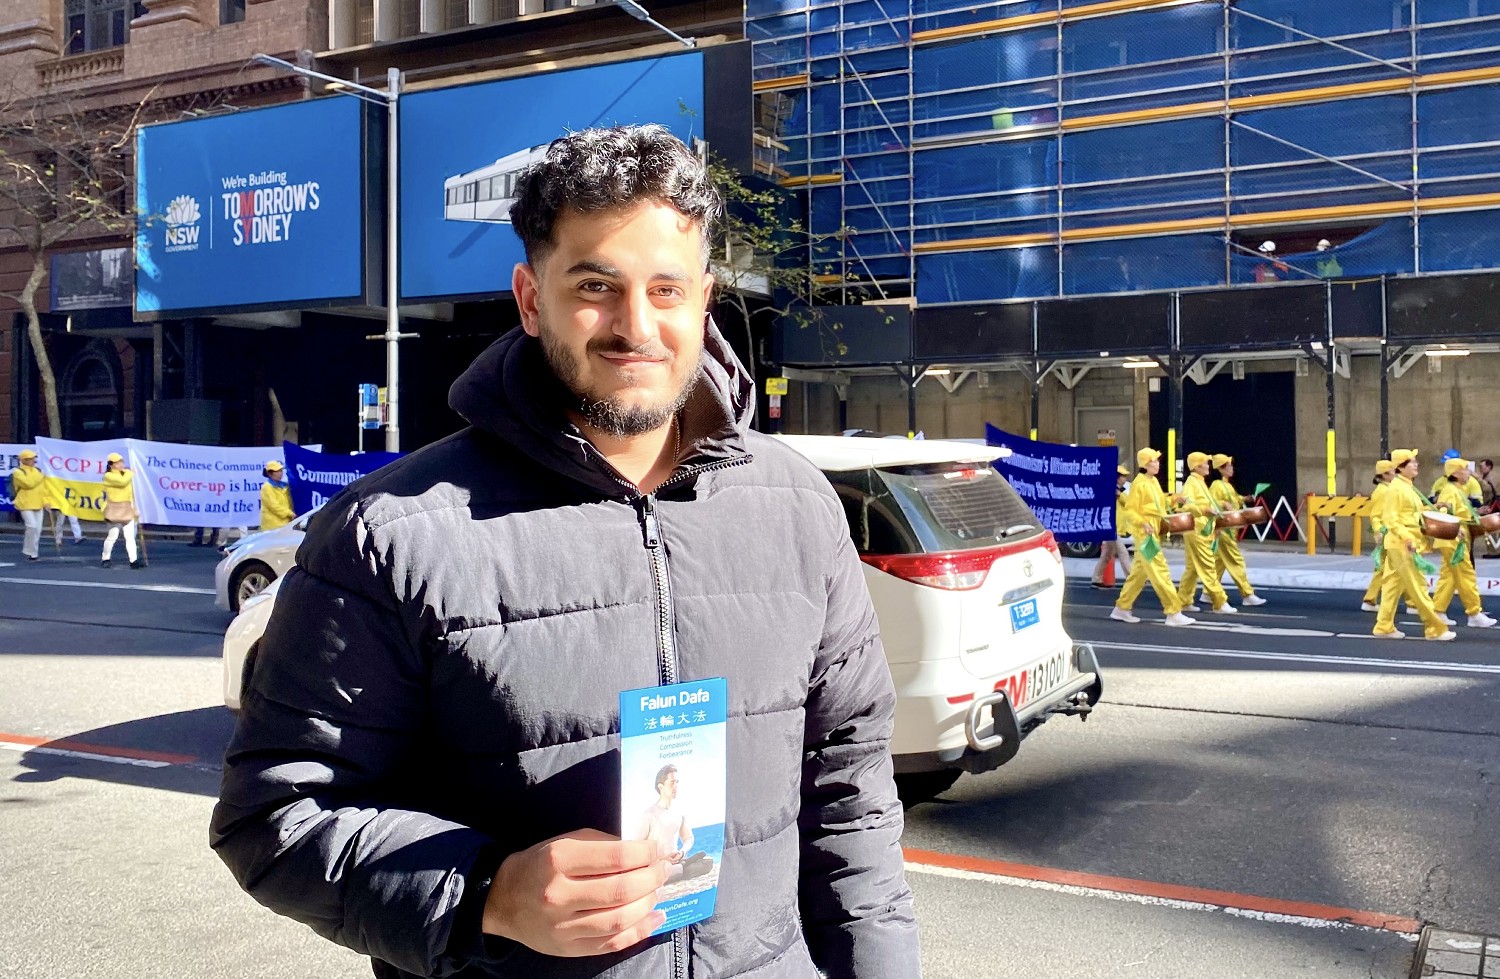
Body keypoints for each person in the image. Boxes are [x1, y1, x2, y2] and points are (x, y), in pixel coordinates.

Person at [211, 125, 919, 979]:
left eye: (666, 288)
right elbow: (273, 815)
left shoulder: (799, 506)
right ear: (530, 298)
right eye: (595, 285)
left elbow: (850, 794)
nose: (636, 325)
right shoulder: (388, 535)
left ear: (703, 300)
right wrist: (487, 895)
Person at [1372, 450, 1454, 641]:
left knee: (1392, 586)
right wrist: (1407, 538)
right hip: (1402, 543)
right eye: (1412, 462)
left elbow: (1411, 512)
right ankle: (1435, 628)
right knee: (1418, 586)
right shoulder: (1396, 488)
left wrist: (1437, 508)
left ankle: (1384, 626)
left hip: (1401, 542)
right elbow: (1390, 518)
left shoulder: (1405, 486)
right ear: (1401, 467)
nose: (1416, 464)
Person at [1111, 448, 1195, 626]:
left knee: (1139, 574)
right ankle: (1173, 611)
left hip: (1152, 531)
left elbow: (1159, 503)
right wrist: (1143, 523)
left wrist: (1174, 499)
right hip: (1145, 535)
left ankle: (1122, 608)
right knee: (1160, 571)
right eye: (1153, 461)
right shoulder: (1139, 484)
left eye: (1157, 460)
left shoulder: (1153, 481)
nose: (1157, 464)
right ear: (1145, 464)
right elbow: (1130, 511)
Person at [1430, 457, 1496, 629]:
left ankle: (1438, 610)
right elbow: (1444, 511)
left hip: (1453, 539)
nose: (1469, 473)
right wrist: (1455, 527)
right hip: (1453, 540)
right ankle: (1474, 613)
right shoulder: (1450, 491)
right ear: (1456, 473)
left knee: (1449, 577)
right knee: (1466, 575)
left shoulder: (1456, 490)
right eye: (1465, 469)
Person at [1175, 451, 1234, 614]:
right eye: (1205, 463)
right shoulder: (1191, 483)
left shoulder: (1199, 482)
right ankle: (1219, 602)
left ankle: (1184, 601)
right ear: (1196, 466)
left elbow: (1206, 503)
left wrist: (1218, 506)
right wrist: (1205, 509)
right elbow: (1185, 505)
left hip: (1202, 529)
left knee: (1192, 568)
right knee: (1208, 566)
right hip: (1197, 530)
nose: (1208, 466)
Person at [632, 765, 712, 883]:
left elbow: (689, 838)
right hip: (656, 866)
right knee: (656, 872)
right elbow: (635, 849)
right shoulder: (649, 815)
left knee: (708, 861)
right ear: (661, 786)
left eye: (677, 782)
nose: (676, 786)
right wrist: (661, 859)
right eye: (672, 782)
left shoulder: (679, 813)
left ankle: (680, 868)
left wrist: (682, 852)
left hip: (676, 861)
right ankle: (680, 869)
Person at [1206, 454, 1266, 608]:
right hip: (1224, 528)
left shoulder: (1227, 485)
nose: (1232, 468)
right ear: (1221, 469)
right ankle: (1247, 594)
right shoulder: (1216, 485)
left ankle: (1208, 593)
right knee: (1235, 560)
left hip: (1229, 529)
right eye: (1229, 466)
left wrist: (1244, 499)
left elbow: (1234, 499)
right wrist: (1222, 503)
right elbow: (1210, 502)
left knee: (1219, 562)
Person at [1360, 459, 1397, 613]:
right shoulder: (1383, 492)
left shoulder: (1388, 489)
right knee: (1387, 568)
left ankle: (1370, 599)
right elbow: (1376, 515)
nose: (1395, 473)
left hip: (1389, 533)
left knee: (1387, 568)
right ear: (1385, 474)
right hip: (1386, 533)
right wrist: (1380, 532)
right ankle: (1370, 599)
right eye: (1393, 471)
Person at [101, 452, 145, 570]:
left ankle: (133, 560)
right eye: (117, 462)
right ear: (111, 465)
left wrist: (134, 509)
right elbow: (122, 482)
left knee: (130, 537)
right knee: (112, 536)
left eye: (121, 462)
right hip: (114, 509)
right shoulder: (108, 476)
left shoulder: (125, 474)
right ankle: (105, 558)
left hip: (127, 508)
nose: (121, 464)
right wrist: (130, 472)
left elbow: (130, 495)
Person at [1091, 464, 1133, 588]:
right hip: (1110, 528)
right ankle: (1131, 578)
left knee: (1107, 555)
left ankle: (1096, 579)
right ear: (1117, 477)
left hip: (1113, 527)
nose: (1125, 479)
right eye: (1123, 476)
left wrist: (1119, 495)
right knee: (1123, 553)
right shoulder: (1108, 490)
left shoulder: (1118, 491)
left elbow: (1127, 504)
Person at [9, 448, 46, 562]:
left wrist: (46, 501)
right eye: (30, 459)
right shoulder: (18, 472)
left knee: (37, 529)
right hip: (24, 503)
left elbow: (44, 488)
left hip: (38, 503)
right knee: (32, 526)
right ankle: (28, 550)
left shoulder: (38, 470)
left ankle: (33, 553)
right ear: (23, 460)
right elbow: (29, 483)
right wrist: (40, 476)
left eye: (33, 458)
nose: (33, 460)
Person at [258, 460, 295, 531]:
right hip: (272, 526)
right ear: (269, 473)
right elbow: (274, 506)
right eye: (277, 471)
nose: (280, 473)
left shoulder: (285, 486)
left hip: (286, 524)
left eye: (281, 471)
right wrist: (290, 513)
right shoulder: (267, 487)